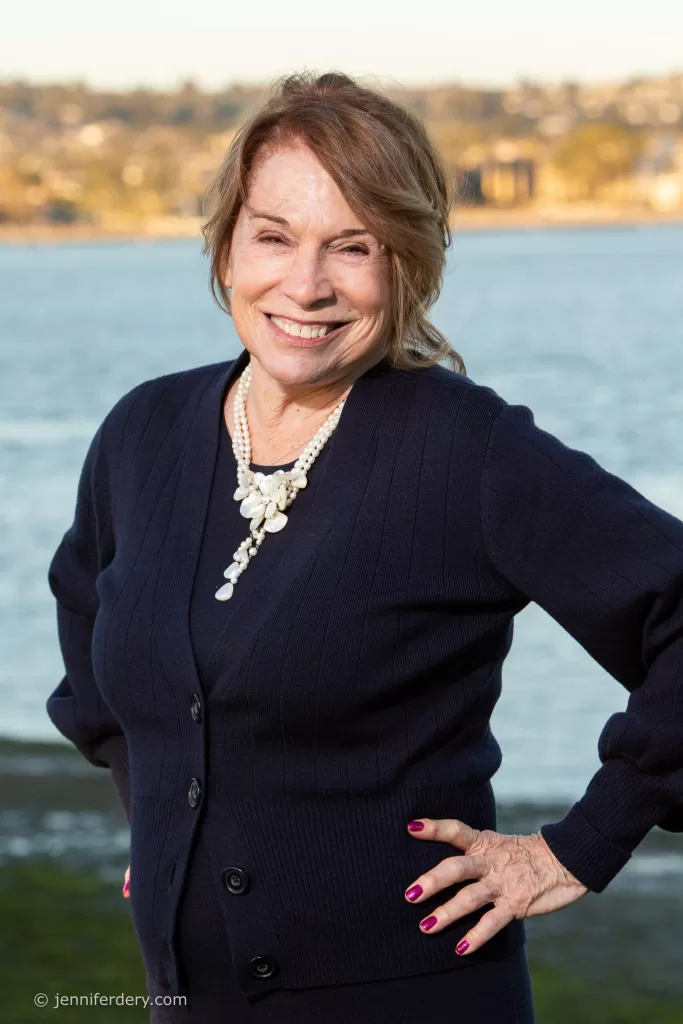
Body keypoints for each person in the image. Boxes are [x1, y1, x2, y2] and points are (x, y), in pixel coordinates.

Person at [45, 72, 683, 1024]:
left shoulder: (468, 452)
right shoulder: (144, 432)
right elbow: (90, 629)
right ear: (226, 248)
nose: (305, 286)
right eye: (274, 237)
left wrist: (579, 845)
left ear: (408, 265)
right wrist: (160, 813)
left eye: (354, 247)